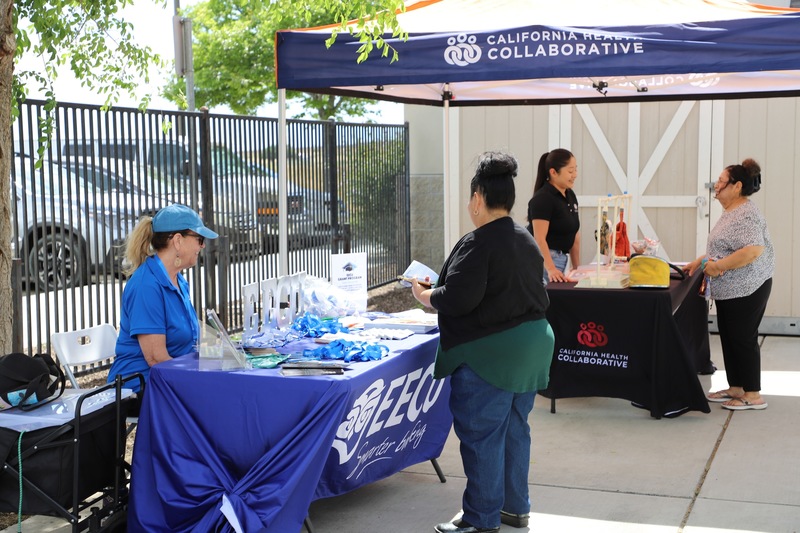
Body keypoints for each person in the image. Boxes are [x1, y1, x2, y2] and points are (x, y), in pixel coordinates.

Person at [410, 151, 554, 533]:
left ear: (477, 197)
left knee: (482, 437)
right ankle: (514, 508)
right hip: (530, 350)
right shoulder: (524, 238)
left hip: (493, 354)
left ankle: (480, 520)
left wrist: (424, 296)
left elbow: (457, 298)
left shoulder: (479, 242)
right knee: (513, 430)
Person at [683, 159, 774, 411]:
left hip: (748, 286)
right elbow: (723, 248)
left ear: (737, 186)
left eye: (722, 182)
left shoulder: (745, 212)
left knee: (743, 338)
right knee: (731, 336)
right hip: (731, 289)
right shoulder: (732, 210)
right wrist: (700, 261)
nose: (717, 186)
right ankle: (736, 387)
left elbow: (753, 250)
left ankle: (753, 394)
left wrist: (719, 267)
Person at [107, 204, 219, 393]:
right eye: (199, 239)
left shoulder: (177, 280)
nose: (202, 245)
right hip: (141, 386)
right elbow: (156, 359)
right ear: (177, 240)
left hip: (170, 378)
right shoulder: (146, 286)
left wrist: (226, 353)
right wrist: (199, 378)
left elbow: (190, 336)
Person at [527, 148, 581, 283]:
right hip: (545, 261)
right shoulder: (543, 199)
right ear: (553, 172)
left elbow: (574, 235)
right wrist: (551, 268)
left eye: (575, 169)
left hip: (561, 259)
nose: (575, 174)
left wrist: (577, 268)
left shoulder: (570, 195)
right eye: (570, 171)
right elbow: (539, 239)